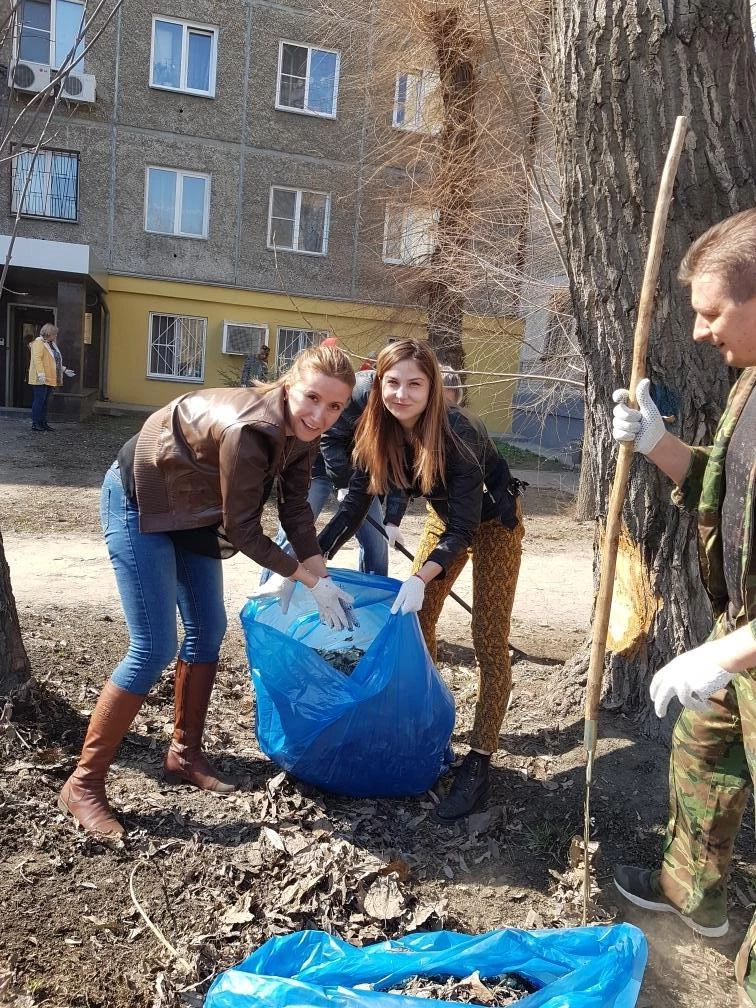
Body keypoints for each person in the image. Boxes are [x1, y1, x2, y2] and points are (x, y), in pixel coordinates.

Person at [57, 344, 357, 836]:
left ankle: (183, 753)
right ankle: (84, 784)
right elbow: (243, 531)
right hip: (142, 498)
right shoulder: (250, 430)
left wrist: (320, 574)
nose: (320, 414)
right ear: (287, 387)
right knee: (153, 647)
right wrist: (301, 577)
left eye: (335, 407)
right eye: (312, 398)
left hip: (193, 506)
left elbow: (297, 509)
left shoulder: (301, 434)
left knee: (209, 629)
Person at [609, 208, 756, 1007]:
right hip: (742, 635)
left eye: (712, 312)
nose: (699, 332)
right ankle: (690, 893)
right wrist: (660, 442)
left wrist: (726, 654)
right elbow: (725, 487)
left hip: (746, 646)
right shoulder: (750, 385)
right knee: (701, 756)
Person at [317, 339, 526, 820]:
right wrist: (311, 561)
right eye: (392, 382)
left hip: (493, 523)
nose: (402, 394)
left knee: (487, 640)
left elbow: (465, 528)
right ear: (379, 385)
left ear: (432, 388)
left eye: (415, 383)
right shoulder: (379, 428)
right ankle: (430, 724)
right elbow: (353, 505)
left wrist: (424, 574)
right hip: (442, 519)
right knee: (416, 624)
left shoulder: (458, 432)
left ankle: (479, 762)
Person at [260, 355, 389, 582]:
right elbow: (330, 439)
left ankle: (375, 598)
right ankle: (268, 594)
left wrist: (394, 517)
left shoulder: (396, 405)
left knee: (377, 542)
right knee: (292, 535)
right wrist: (342, 482)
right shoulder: (361, 392)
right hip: (316, 466)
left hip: (357, 473)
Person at [28, 323, 75, 432]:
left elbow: (53, 361)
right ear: (49, 333)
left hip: (49, 377)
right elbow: (37, 359)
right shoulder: (39, 343)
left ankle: (43, 423)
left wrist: (64, 370)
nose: (56, 336)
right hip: (40, 378)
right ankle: (36, 424)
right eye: (55, 334)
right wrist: (41, 374)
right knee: (39, 401)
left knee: (44, 402)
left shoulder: (51, 344)